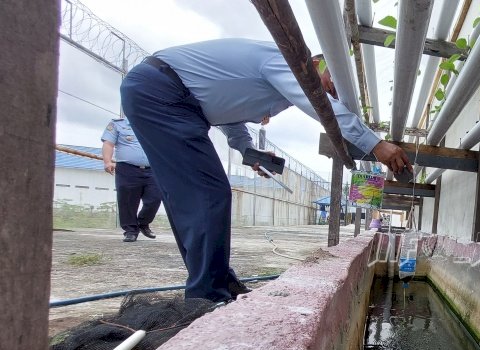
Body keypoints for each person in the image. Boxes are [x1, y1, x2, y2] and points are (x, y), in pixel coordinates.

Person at [120, 38, 412, 303]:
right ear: (315, 64)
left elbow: (229, 117)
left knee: (197, 194)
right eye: (332, 81)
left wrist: (248, 151)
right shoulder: (287, 58)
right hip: (162, 92)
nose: (331, 92)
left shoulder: (279, 91)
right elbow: (323, 108)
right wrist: (376, 144)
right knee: (207, 193)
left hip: (177, 101)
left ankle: (217, 282)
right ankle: (206, 297)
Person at [101, 118, 162, 242]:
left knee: (155, 197)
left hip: (153, 169)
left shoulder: (154, 121)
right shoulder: (118, 124)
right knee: (127, 200)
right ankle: (130, 230)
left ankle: (143, 223)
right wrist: (107, 161)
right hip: (127, 168)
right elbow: (108, 143)